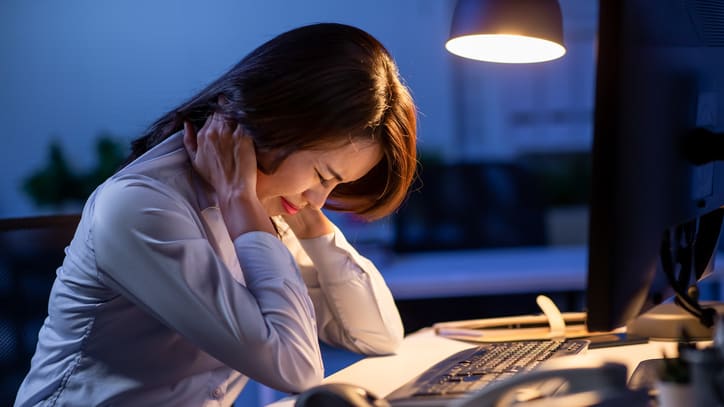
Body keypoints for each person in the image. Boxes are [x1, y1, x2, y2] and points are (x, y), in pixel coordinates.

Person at [14, 23, 417, 406]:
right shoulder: (142, 207)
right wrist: (242, 202)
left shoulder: (268, 202)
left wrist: (305, 218)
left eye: (336, 184)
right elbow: (296, 369)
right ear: (274, 120)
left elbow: (377, 335)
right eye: (321, 174)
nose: (320, 197)